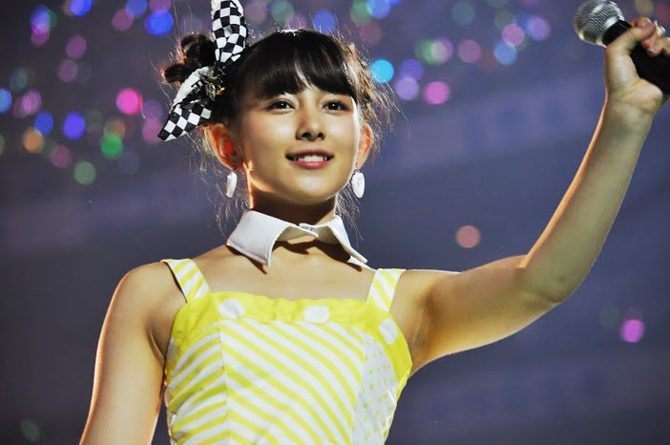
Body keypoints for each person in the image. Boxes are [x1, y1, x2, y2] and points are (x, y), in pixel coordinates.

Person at [80, 0, 670, 443]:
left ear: (361, 144)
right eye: (281, 103)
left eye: (334, 104)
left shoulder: (402, 302)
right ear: (227, 144)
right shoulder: (160, 293)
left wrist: (627, 115)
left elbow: (543, 282)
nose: (312, 124)